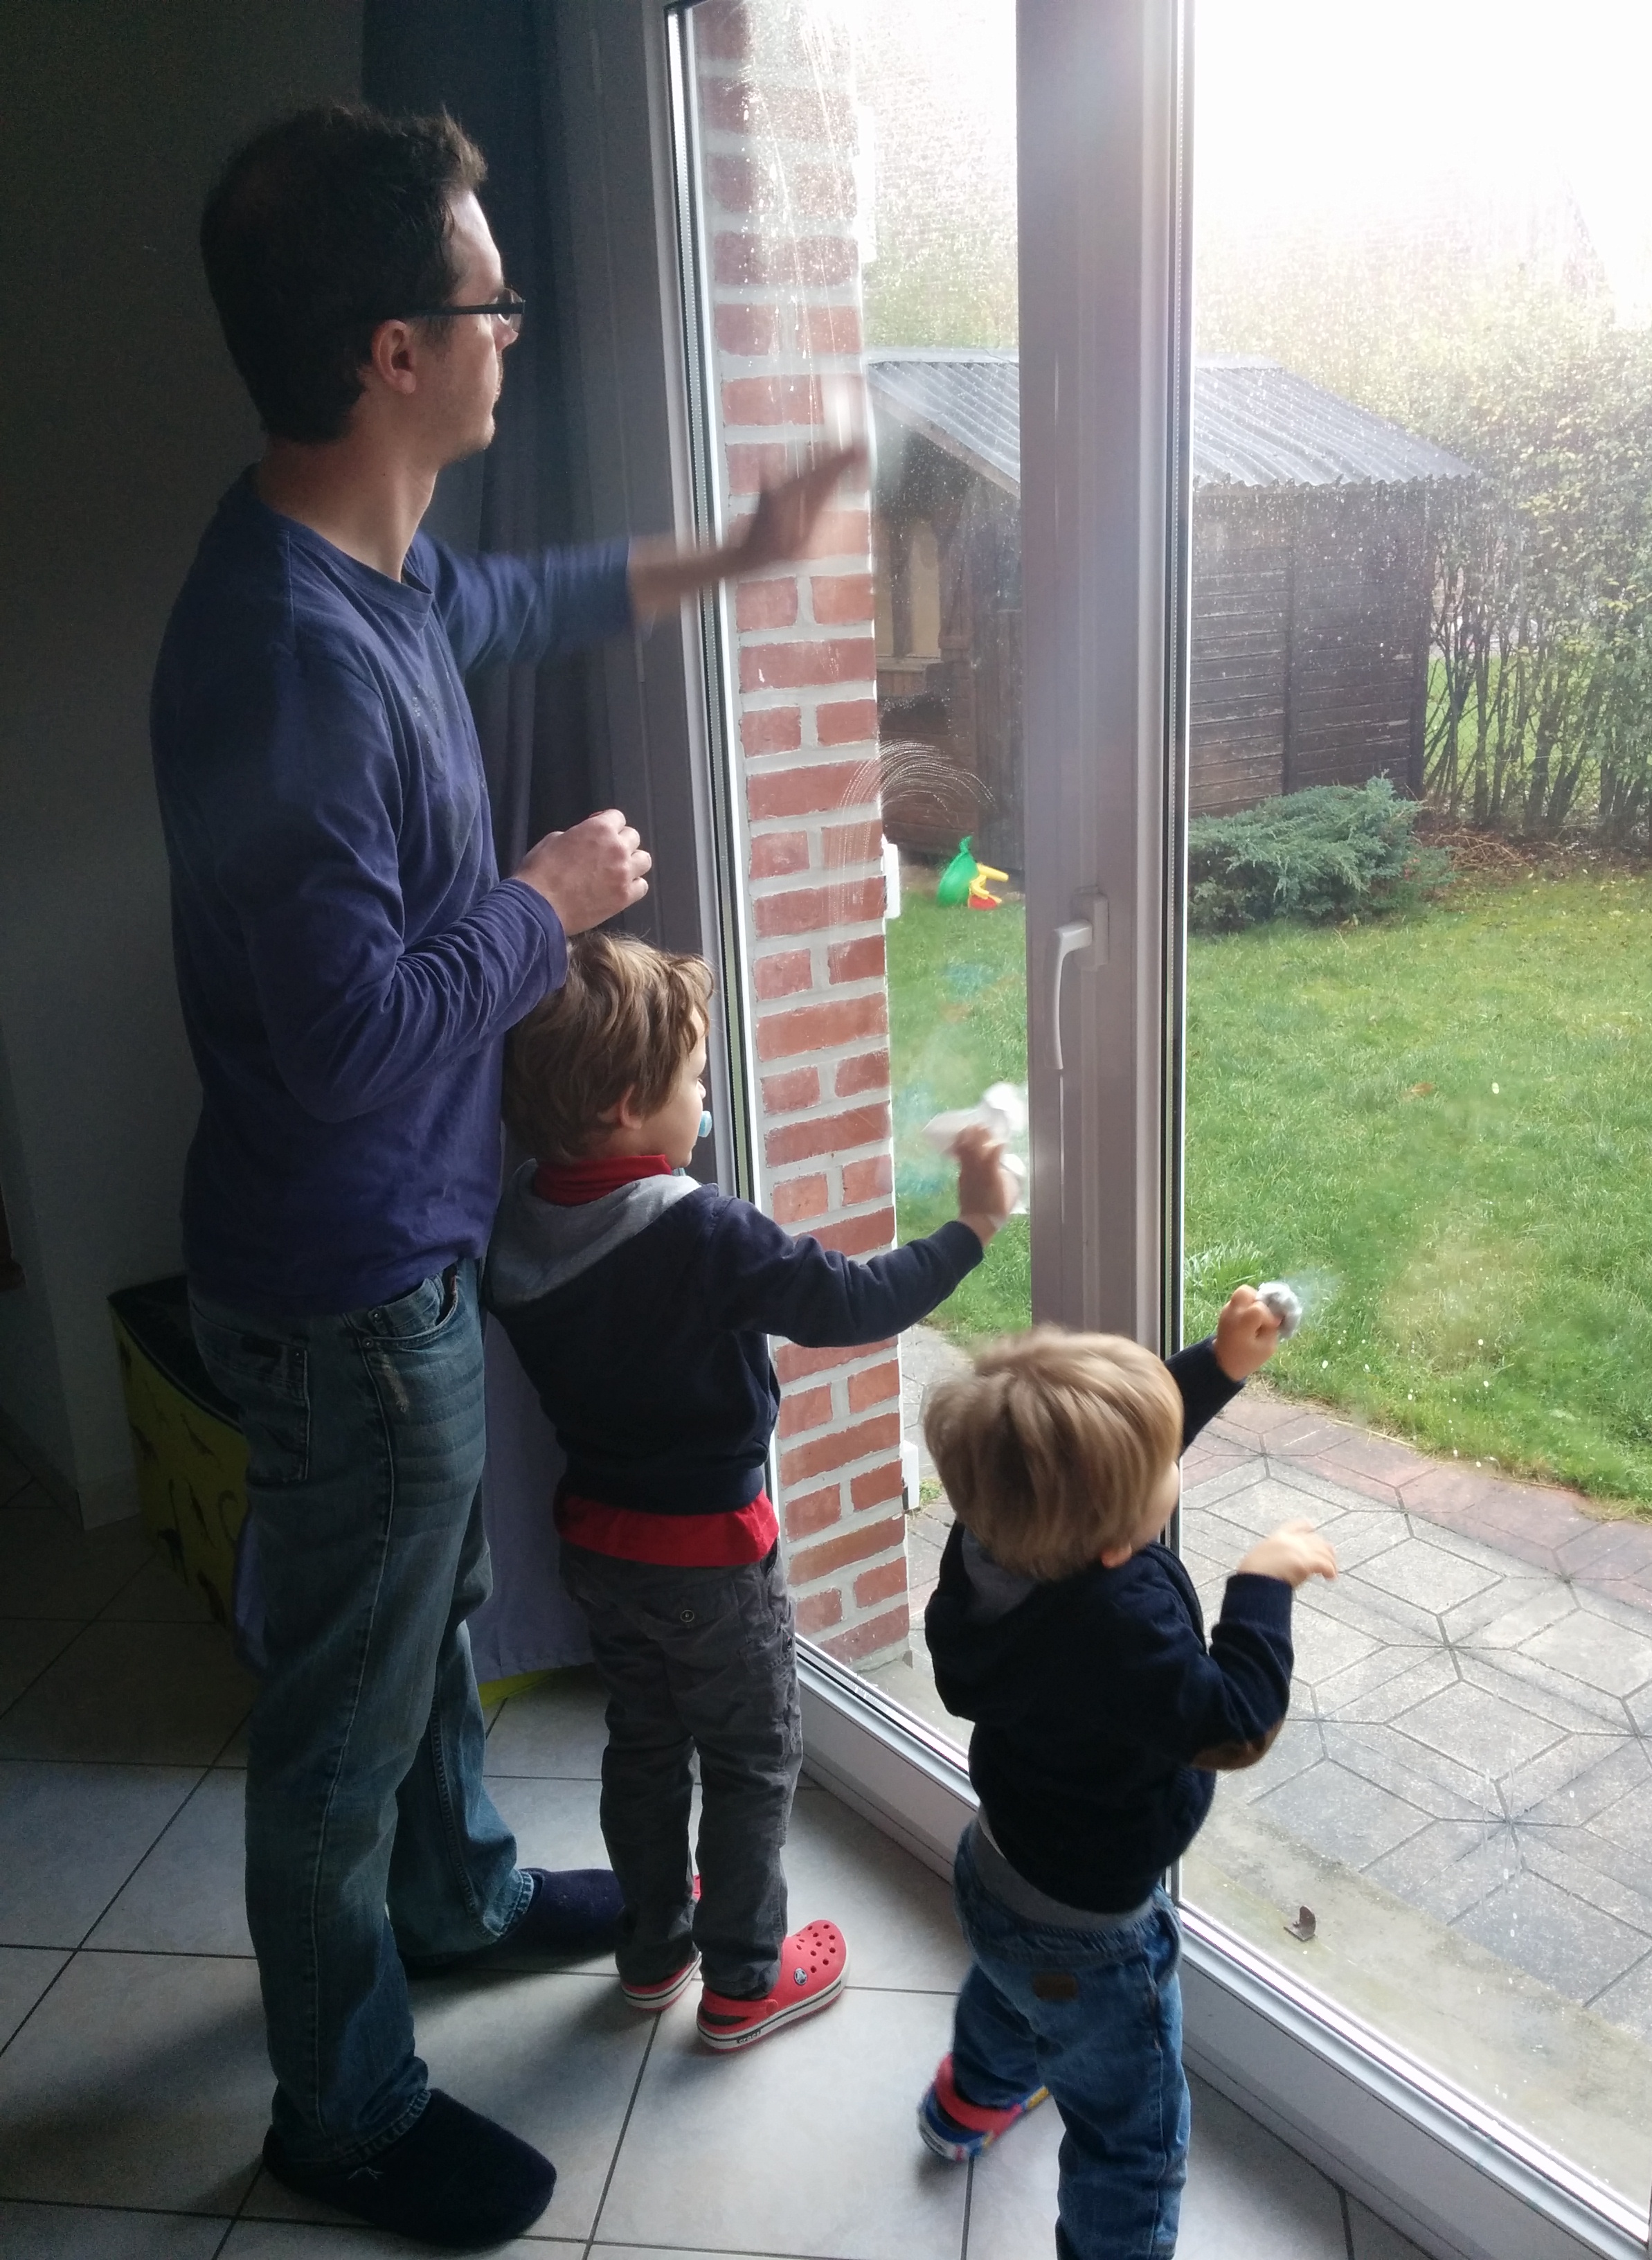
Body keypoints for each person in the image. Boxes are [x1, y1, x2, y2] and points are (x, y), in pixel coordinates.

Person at [152, 102, 856, 2250]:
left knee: (426, 1618)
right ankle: (343, 2113)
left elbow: (518, 592)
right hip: (347, 1281)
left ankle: (455, 1898)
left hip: (394, 1252)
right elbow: (355, 1032)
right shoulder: (292, 661)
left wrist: (732, 556)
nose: (513, 331)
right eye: (490, 300)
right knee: (342, 1726)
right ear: (395, 351)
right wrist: (541, 907)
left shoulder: (357, 564)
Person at [485, 932, 1017, 2049]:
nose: (706, 1101)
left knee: (643, 1742)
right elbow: (853, 1301)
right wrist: (971, 1228)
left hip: (598, 1545)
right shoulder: (696, 1231)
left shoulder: (523, 1214)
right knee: (750, 1756)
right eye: (694, 1079)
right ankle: (743, 1978)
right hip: (710, 1557)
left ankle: (652, 1949)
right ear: (628, 1105)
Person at [914, 1303, 1338, 2260]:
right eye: (1164, 1470)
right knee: (1132, 2137)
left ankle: (966, 2106)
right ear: (1113, 1542)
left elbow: (1090, 1463)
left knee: (1011, 1991)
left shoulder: (990, 1544)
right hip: (1094, 1937)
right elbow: (1233, 1724)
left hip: (999, 1865)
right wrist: (1260, 1588)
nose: (1172, 1466)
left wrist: (1218, 1366)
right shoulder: (1118, 1623)